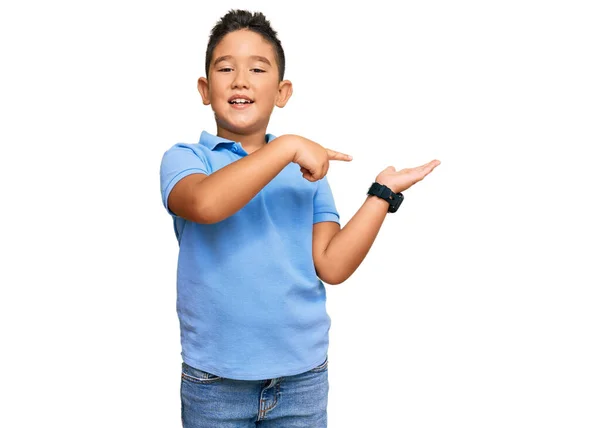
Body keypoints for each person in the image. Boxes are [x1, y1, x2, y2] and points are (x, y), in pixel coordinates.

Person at [159, 9, 440, 427]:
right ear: (205, 88)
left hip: (301, 380)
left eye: (257, 68)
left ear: (282, 92)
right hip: (215, 382)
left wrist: (382, 194)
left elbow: (332, 264)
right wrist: (287, 146)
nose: (240, 79)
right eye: (225, 68)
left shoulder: (305, 169)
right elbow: (205, 204)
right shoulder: (187, 159)